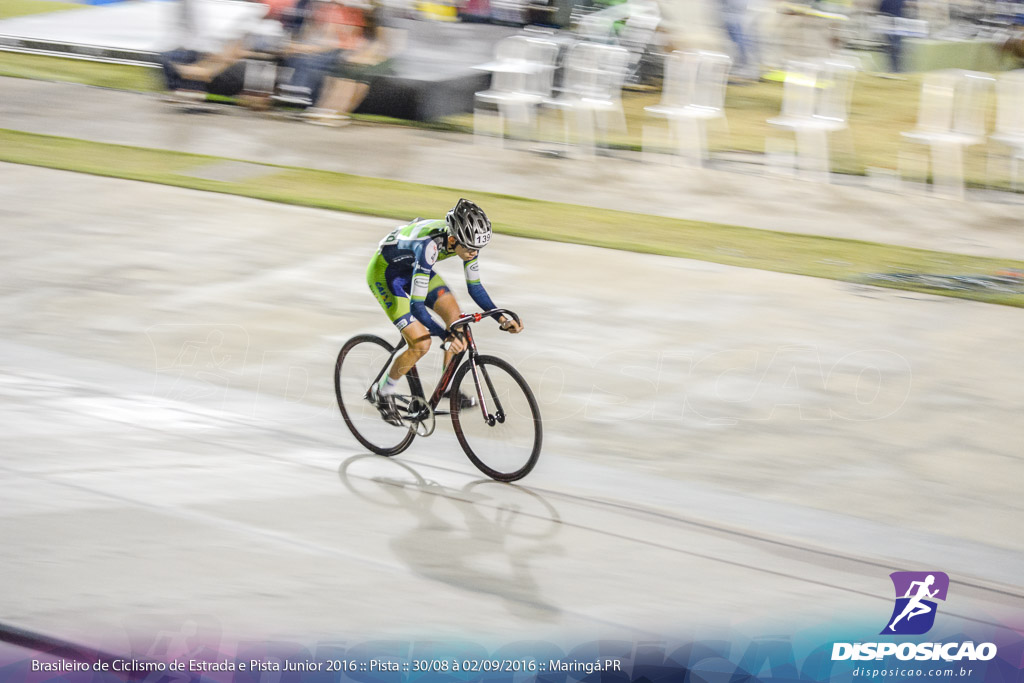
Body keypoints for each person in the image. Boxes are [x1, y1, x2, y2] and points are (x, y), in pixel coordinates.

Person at [365, 199, 523, 425]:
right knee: (421, 343)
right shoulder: (428, 246)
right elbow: (416, 307)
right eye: (470, 248)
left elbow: (475, 288)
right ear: (452, 239)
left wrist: (501, 318)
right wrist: (445, 336)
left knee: (456, 320)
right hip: (386, 274)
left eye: (478, 248)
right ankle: (381, 392)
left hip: (414, 268)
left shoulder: (464, 241)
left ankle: (447, 388)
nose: (474, 253)